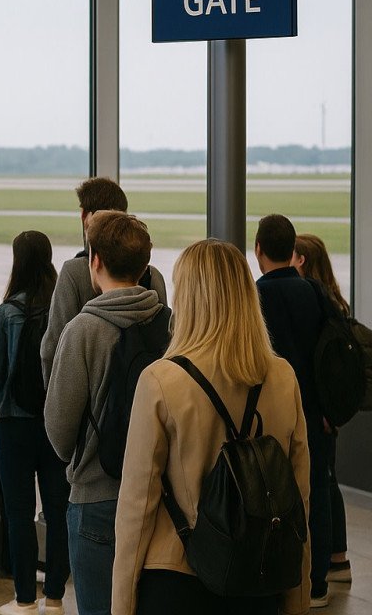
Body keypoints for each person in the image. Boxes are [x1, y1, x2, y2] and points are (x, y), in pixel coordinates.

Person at [113, 239, 310, 615]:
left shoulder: (161, 380)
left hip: (177, 577)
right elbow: (298, 498)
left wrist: (121, 605)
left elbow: (136, 509)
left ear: (188, 299)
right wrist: (297, 599)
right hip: (258, 579)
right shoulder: (283, 378)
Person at [45, 211, 166, 615]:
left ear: (94, 261)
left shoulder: (82, 331)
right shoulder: (171, 326)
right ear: (145, 266)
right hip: (160, 497)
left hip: (98, 498)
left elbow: (60, 434)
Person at [0, 232, 70, 615]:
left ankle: (25, 600)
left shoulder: (5, 314)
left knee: (18, 513)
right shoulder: (62, 312)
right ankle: (56, 598)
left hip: (11, 423)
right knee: (58, 510)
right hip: (54, 421)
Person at [255, 214, 331, 607]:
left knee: (270, 495)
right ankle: (317, 583)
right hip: (314, 411)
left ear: (258, 250)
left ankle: (275, 576)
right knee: (314, 492)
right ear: (291, 251)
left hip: (271, 413)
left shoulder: (256, 296)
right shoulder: (313, 291)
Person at [40, 177, 167, 383]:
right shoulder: (153, 275)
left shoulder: (74, 271)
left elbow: (53, 346)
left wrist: (53, 389)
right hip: (147, 387)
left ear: (85, 216)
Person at [293, 233, 352, 587]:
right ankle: (338, 558)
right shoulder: (333, 301)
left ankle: (332, 560)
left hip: (321, 412)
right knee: (329, 480)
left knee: (322, 483)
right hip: (331, 409)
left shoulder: (314, 304)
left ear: (301, 260)